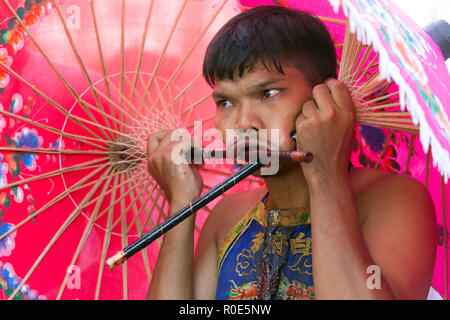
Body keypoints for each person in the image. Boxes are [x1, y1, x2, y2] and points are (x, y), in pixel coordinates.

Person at [146, 5, 437, 300]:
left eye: (268, 94)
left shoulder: (392, 201)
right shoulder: (228, 217)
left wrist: (324, 171)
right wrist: (181, 205)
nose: (243, 124)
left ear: (323, 98)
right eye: (225, 102)